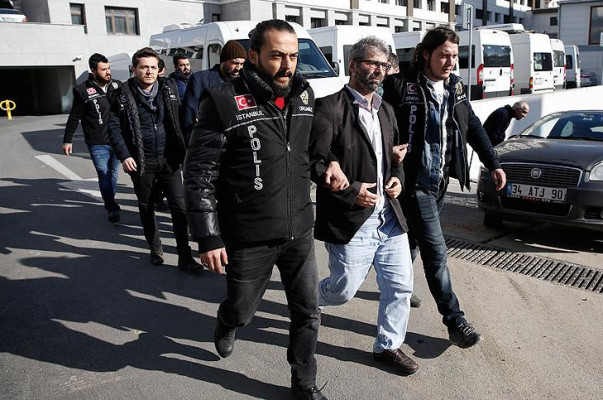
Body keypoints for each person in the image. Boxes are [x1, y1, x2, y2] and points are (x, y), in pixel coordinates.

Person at [183, 20, 326, 400]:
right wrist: (208, 236)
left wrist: (328, 166)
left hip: (300, 229)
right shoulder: (222, 101)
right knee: (243, 310)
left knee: (308, 312)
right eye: (277, 55)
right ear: (254, 55)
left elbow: (306, 154)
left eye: (293, 56)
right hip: (249, 234)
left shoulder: (305, 95)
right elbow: (198, 175)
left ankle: (304, 382)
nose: (287, 65)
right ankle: (227, 320)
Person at [382, 26, 506, 348]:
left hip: (440, 182)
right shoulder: (401, 85)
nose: (450, 62)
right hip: (414, 183)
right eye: (443, 56)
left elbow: (472, 124)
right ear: (426, 54)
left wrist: (492, 162)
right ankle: (455, 320)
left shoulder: (455, 86)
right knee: (436, 252)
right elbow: (376, 122)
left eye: (454, 56)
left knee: (413, 240)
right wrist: (388, 153)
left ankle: (397, 285)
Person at [310, 36, 418, 376]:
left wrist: (397, 176)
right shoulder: (329, 108)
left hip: (389, 217)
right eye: (372, 63)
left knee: (400, 287)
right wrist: (351, 189)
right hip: (353, 218)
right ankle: (310, 298)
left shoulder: (386, 110)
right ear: (353, 65)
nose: (379, 70)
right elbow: (314, 162)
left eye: (383, 65)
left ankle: (387, 346)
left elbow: (393, 158)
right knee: (342, 291)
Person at [107, 47, 200, 272]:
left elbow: (181, 114)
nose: (149, 71)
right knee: (146, 206)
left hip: (169, 158)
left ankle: (184, 256)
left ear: (159, 69)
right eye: (143, 67)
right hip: (141, 160)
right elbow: (114, 128)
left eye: (152, 67)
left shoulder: (168, 87)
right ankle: (155, 247)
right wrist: (125, 155)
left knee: (179, 208)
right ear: (134, 69)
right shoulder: (121, 94)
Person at [63, 53, 121, 223]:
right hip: (97, 142)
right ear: (93, 71)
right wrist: (67, 140)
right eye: (103, 69)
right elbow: (74, 117)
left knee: (113, 173)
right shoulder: (82, 91)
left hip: (117, 140)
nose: (108, 72)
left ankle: (110, 198)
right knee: (104, 173)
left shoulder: (117, 85)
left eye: (108, 68)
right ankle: (111, 207)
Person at [180, 40, 246, 141]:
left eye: (242, 64)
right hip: (207, 141)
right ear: (223, 61)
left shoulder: (242, 82)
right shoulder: (200, 79)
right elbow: (189, 118)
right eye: (235, 63)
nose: (239, 68)